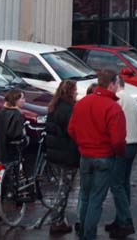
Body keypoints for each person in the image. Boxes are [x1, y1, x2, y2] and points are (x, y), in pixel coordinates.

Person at [68, 70, 126, 240]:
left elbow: (71, 129)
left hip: (85, 156)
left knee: (85, 195)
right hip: (104, 156)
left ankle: (84, 230)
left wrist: (83, 142)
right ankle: (89, 234)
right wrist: (118, 154)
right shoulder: (113, 107)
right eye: (116, 84)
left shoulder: (82, 103)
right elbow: (117, 140)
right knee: (96, 199)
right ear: (112, 84)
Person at [106, 75, 137, 239]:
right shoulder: (132, 100)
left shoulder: (118, 99)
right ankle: (121, 219)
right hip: (133, 144)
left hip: (123, 145)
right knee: (124, 182)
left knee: (116, 184)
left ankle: (125, 221)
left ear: (115, 85)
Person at [45, 80, 80, 235]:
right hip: (68, 154)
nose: (77, 92)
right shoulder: (70, 109)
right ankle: (56, 220)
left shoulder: (53, 107)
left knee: (61, 185)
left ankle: (58, 217)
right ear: (70, 91)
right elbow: (73, 131)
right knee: (65, 187)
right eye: (75, 90)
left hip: (55, 154)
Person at [0, 88, 28, 222]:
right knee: (14, 178)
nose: (24, 101)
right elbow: (16, 135)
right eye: (22, 98)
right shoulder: (17, 114)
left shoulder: (1, 113)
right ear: (15, 100)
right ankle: (17, 200)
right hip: (11, 153)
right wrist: (24, 138)